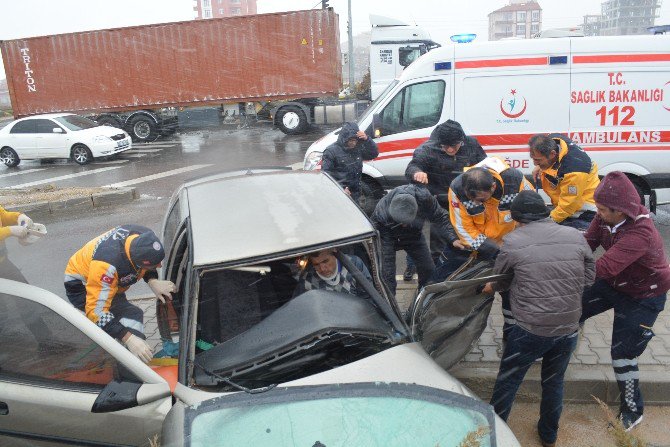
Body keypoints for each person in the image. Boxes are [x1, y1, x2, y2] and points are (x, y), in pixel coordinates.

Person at [483, 190, 595, 447]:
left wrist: (488, 287)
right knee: (554, 381)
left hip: (529, 330)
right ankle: (549, 435)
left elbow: (500, 282)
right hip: (569, 327)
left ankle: (495, 436)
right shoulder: (575, 236)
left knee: (509, 380)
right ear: (545, 213)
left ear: (516, 217)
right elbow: (589, 278)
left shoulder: (512, 241)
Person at [580, 171, 670, 431]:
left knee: (623, 354)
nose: (597, 213)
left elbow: (602, 268)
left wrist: (558, 276)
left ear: (620, 211)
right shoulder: (605, 217)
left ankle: (632, 409)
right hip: (616, 283)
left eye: (601, 209)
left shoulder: (640, 233)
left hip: (644, 295)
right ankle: (563, 352)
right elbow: (588, 242)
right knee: (572, 309)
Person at [64, 225, 175, 364]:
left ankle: (125, 355)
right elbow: (96, 311)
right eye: (155, 264)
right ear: (138, 261)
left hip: (108, 281)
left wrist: (153, 281)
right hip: (82, 285)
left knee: (126, 317)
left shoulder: (145, 237)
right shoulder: (106, 267)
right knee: (129, 315)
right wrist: (129, 338)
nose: (159, 266)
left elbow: (147, 265)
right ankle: (128, 365)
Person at [404, 120, 486, 278]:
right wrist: (417, 173)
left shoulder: (472, 145)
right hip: (439, 202)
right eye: (445, 146)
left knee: (466, 237)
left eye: (454, 146)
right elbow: (412, 167)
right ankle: (438, 277)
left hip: (465, 201)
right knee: (438, 242)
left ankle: (466, 272)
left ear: (461, 141)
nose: (449, 149)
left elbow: (484, 165)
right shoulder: (428, 149)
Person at [371, 184, 457, 294]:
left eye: (405, 222)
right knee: (387, 275)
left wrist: (453, 238)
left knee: (428, 269)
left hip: (414, 235)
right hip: (387, 235)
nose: (403, 225)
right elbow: (374, 236)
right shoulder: (380, 212)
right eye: (400, 223)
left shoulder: (425, 199)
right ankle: (389, 306)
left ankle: (424, 298)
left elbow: (441, 217)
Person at [529, 134, 599, 231]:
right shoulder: (554, 140)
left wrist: (547, 222)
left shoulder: (573, 171)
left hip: (583, 214)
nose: (534, 163)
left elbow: (568, 205)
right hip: (567, 207)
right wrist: (539, 165)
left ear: (552, 154)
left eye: (538, 160)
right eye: (533, 159)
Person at [321, 121, 378, 201]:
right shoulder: (331, 151)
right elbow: (326, 175)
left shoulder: (358, 148)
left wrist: (367, 139)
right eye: (350, 140)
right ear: (344, 138)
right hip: (339, 193)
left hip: (355, 193)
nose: (353, 143)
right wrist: (340, 188)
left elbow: (373, 154)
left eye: (355, 140)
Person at [294, 249, 372, 299]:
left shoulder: (353, 264)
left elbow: (368, 298)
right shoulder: (306, 279)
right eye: (316, 264)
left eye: (325, 261)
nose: (322, 269)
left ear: (335, 254)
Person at [1, 205, 32, 281]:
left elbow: (2, 216)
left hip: (2, 262)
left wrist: (18, 217)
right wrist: (10, 231)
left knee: (23, 289)